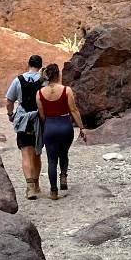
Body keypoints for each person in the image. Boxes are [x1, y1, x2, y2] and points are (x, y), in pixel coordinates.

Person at [35, 63, 86, 201]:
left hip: (50, 127)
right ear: (58, 75)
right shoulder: (67, 90)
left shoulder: (39, 93)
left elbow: (42, 115)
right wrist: (81, 128)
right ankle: (63, 176)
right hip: (65, 126)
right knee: (63, 154)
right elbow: (74, 110)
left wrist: (47, 126)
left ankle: (53, 191)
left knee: (51, 160)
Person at [5, 54, 45, 200]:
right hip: (39, 122)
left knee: (26, 153)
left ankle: (30, 188)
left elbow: (10, 100)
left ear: (28, 64)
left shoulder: (18, 80)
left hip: (23, 120)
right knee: (37, 153)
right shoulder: (44, 81)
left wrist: (10, 114)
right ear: (40, 66)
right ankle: (36, 183)